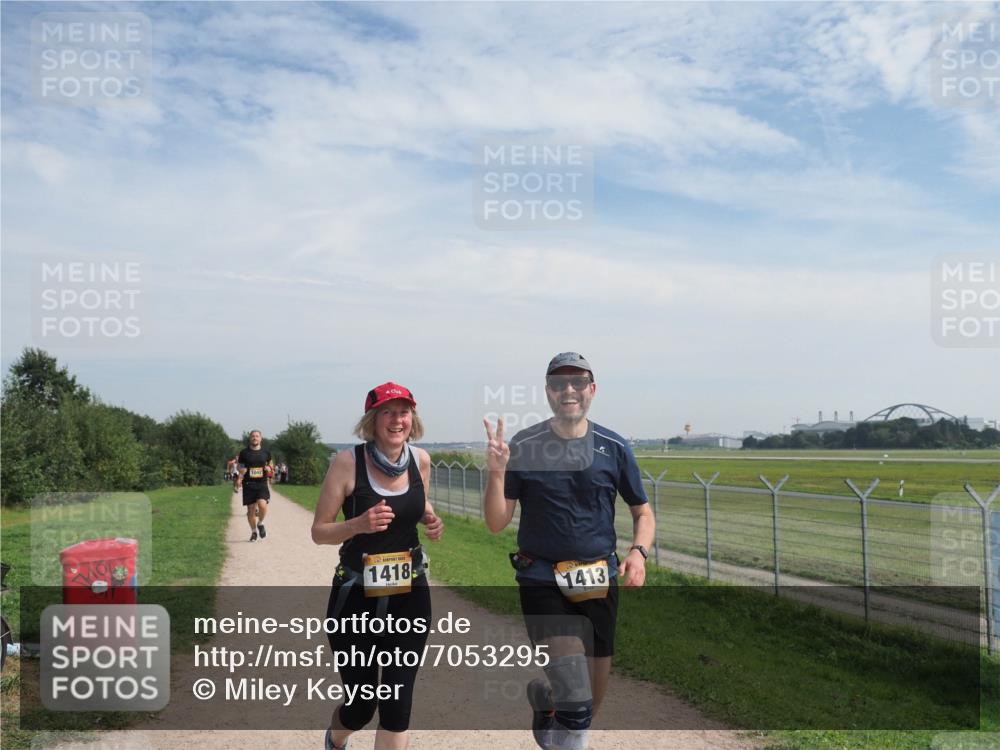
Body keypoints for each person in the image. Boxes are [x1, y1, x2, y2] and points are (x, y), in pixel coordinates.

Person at [483, 352, 655, 750]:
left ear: (592, 390)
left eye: (578, 382)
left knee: (589, 705)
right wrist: (495, 473)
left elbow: (643, 513)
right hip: (542, 580)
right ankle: (563, 721)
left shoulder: (614, 447)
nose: (569, 390)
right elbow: (496, 523)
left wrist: (639, 553)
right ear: (548, 392)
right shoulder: (524, 445)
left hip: (599, 582)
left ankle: (546, 709)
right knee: (577, 705)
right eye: (559, 384)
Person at [311, 382, 443, 750]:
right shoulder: (347, 463)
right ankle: (336, 739)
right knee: (361, 706)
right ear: (372, 420)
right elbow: (319, 532)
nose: (396, 419)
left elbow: (417, 503)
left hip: (410, 594)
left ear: (412, 418)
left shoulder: (421, 461)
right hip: (355, 598)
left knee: (398, 701)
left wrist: (430, 519)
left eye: (403, 411)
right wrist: (357, 525)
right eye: (387, 411)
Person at [236, 430, 272, 542]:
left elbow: (270, 463)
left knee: (262, 505)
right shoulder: (244, 453)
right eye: (253, 436)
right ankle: (253, 532)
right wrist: (240, 473)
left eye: (257, 436)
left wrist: (269, 468)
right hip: (248, 484)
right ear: (250, 438)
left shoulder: (266, 452)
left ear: (261, 439)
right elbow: (239, 466)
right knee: (251, 510)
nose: (255, 438)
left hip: (261, 483)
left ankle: (260, 523)